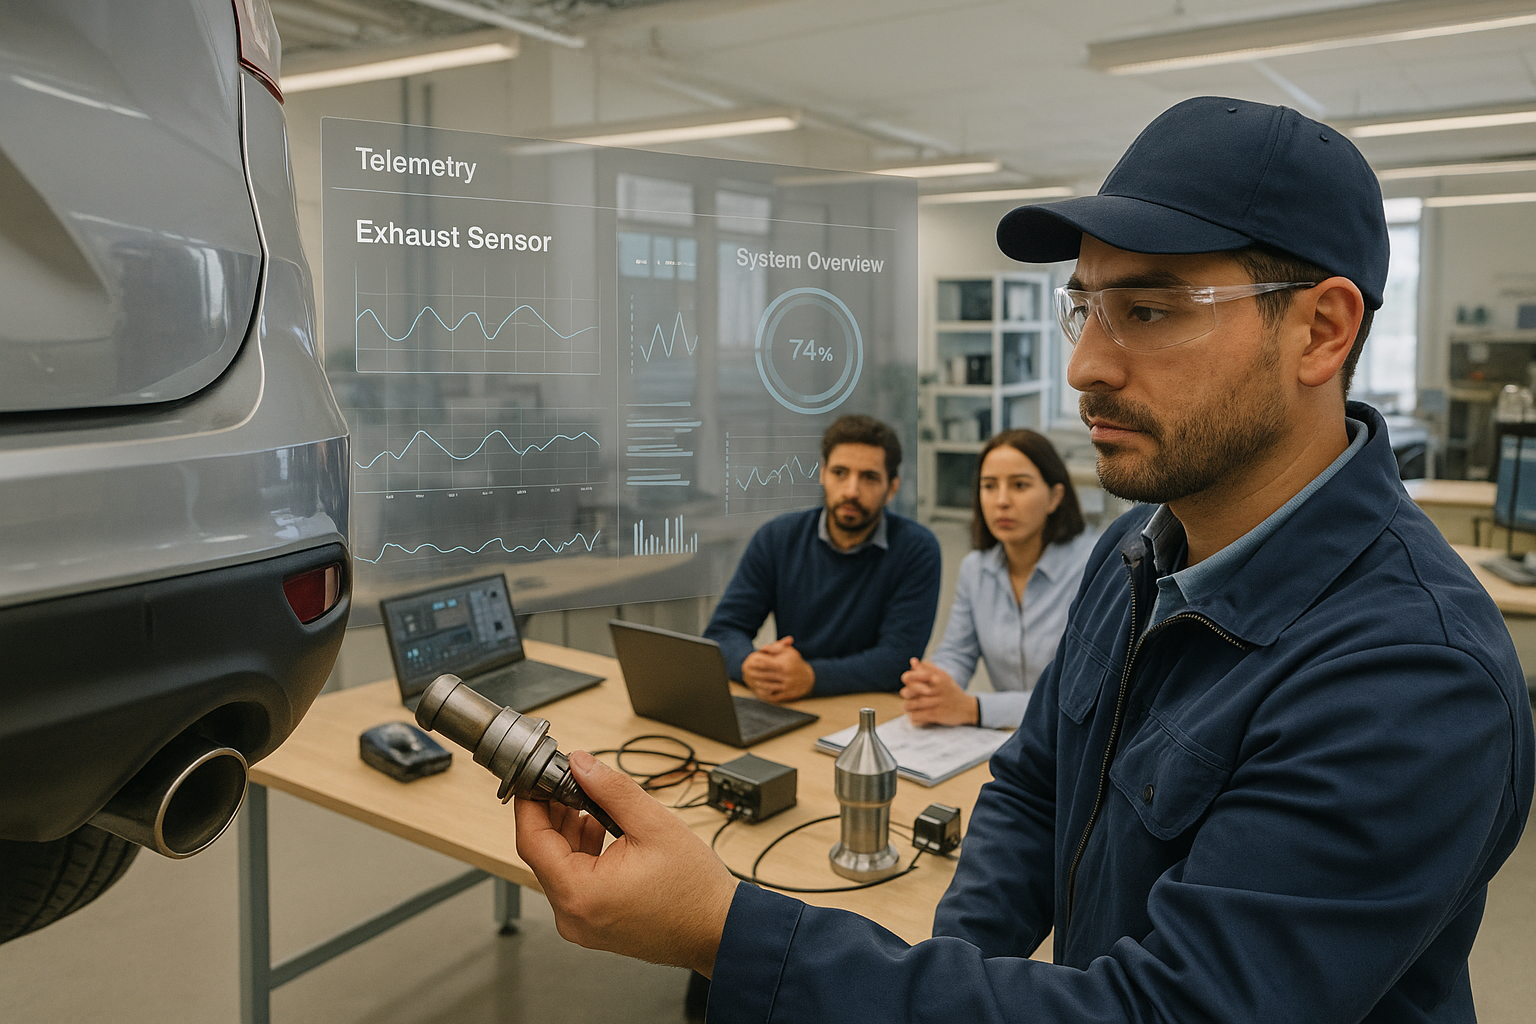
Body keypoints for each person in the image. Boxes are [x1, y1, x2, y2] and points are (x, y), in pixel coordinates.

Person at [512, 96, 1536, 1024]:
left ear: (1321, 330)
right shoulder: (1135, 555)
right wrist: (945, 975)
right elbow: (1033, 786)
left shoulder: (1413, 676)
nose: (1085, 364)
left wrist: (724, 931)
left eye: (1150, 309)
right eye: (1084, 306)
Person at [703, 413, 941, 702]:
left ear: (892, 488)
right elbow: (723, 630)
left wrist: (812, 676)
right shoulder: (777, 538)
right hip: (790, 701)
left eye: (869, 477)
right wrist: (749, 664)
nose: (851, 491)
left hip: (870, 708)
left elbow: (898, 658)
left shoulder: (916, 549)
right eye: (840, 473)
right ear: (822, 474)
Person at [902, 430, 1096, 729]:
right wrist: (932, 684)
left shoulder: (1092, 568)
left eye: (1019, 485)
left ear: (1055, 497)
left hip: (1077, 744)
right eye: (989, 486)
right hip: (1008, 740)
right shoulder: (975, 569)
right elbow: (957, 652)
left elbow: (1080, 696)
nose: (1001, 501)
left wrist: (974, 708)